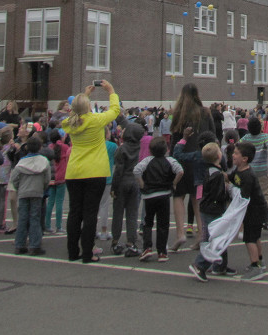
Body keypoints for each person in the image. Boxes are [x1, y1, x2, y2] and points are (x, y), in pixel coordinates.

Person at [61, 81, 121, 263]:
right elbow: (115, 111)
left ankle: (72, 251)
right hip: (95, 171)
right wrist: (111, 91)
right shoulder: (96, 121)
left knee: (74, 212)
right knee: (90, 214)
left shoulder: (68, 123)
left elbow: (77, 112)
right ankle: (87, 252)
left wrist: (84, 96)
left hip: (75, 171)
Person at [169, 83, 214, 246]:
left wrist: (171, 160)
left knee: (178, 196)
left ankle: (180, 233)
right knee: (197, 197)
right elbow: (213, 136)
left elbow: (174, 140)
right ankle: (201, 233)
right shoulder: (205, 113)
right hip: (200, 160)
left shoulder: (179, 113)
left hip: (182, 159)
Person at [189, 143, 233, 281]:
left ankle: (220, 265)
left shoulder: (208, 171)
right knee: (216, 238)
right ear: (219, 156)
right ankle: (200, 264)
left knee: (220, 237)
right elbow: (218, 195)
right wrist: (228, 192)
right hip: (213, 209)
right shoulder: (217, 175)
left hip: (207, 207)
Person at [135, 136, 183, 262]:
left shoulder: (147, 161)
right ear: (166, 149)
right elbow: (180, 171)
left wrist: (142, 184)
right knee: (163, 223)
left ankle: (147, 247)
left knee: (148, 222)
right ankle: (162, 251)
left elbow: (136, 171)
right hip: (164, 194)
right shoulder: (170, 161)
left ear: (150, 150)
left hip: (149, 194)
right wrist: (173, 183)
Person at [230, 141, 268, 280]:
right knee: (255, 237)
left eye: (236, 153)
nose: (233, 155)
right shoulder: (238, 171)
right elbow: (231, 178)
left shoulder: (248, 175)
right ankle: (260, 261)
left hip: (255, 211)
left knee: (250, 238)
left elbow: (243, 196)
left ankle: (255, 266)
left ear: (244, 159)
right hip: (254, 210)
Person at [9, 133, 51, 256]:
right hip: (37, 191)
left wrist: (18, 187)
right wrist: (43, 187)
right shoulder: (44, 161)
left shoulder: (22, 162)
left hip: (23, 191)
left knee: (22, 218)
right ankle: (34, 245)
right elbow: (47, 178)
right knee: (35, 218)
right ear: (40, 147)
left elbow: (15, 178)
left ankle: (20, 244)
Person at [110, 122, 143, 257]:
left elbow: (118, 170)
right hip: (134, 181)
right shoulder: (139, 148)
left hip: (122, 181)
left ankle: (116, 241)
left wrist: (114, 187)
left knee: (118, 212)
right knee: (132, 213)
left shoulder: (121, 149)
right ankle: (131, 242)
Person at [239, 117, 268, 222]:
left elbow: (237, 145)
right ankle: (265, 219)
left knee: (248, 195)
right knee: (265, 195)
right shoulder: (265, 137)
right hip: (262, 171)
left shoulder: (246, 138)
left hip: (249, 171)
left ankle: (248, 216)